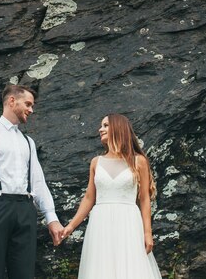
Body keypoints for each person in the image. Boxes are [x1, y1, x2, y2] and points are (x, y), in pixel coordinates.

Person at [0, 85, 64, 279]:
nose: (31, 110)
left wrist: (51, 217)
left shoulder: (28, 141)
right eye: (27, 104)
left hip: (25, 208)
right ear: (11, 101)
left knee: (24, 273)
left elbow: (37, 181)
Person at [61, 113, 162, 278]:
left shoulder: (139, 161)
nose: (100, 129)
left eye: (106, 125)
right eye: (101, 125)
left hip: (128, 222)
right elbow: (89, 198)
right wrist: (71, 226)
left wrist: (147, 232)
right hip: (101, 223)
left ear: (119, 128)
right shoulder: (96, 162)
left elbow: (144, 198)